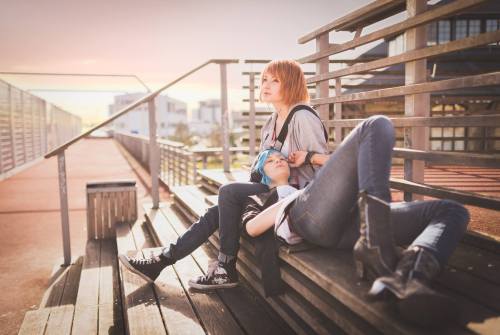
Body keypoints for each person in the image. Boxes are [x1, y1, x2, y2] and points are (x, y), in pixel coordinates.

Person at [118, 59, 328, 289]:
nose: (266, 85)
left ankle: (223, 267)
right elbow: (263, 166)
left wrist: (308, 157)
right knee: (217, 211)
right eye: (264, 80)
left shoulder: (303, 117)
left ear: (291, 83)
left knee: (228, 192)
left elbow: (326, 169)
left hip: (296, 198)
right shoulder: (271, 121)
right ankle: (163, 261)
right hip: (271, 191)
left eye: (275, 80)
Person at [245, 115, 470, 327]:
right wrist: (296, 194)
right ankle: (376, 245)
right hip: (305, 217)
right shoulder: (258, 195)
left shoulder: (308, 184)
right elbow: (252, 228)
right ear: (260, 173)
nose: (278, 161)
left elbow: (363, 155)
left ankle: (410, 276)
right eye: (270, 161)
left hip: (350, 219)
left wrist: (310, 158)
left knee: (452, 210)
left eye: (281, 158)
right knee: (375, 124)